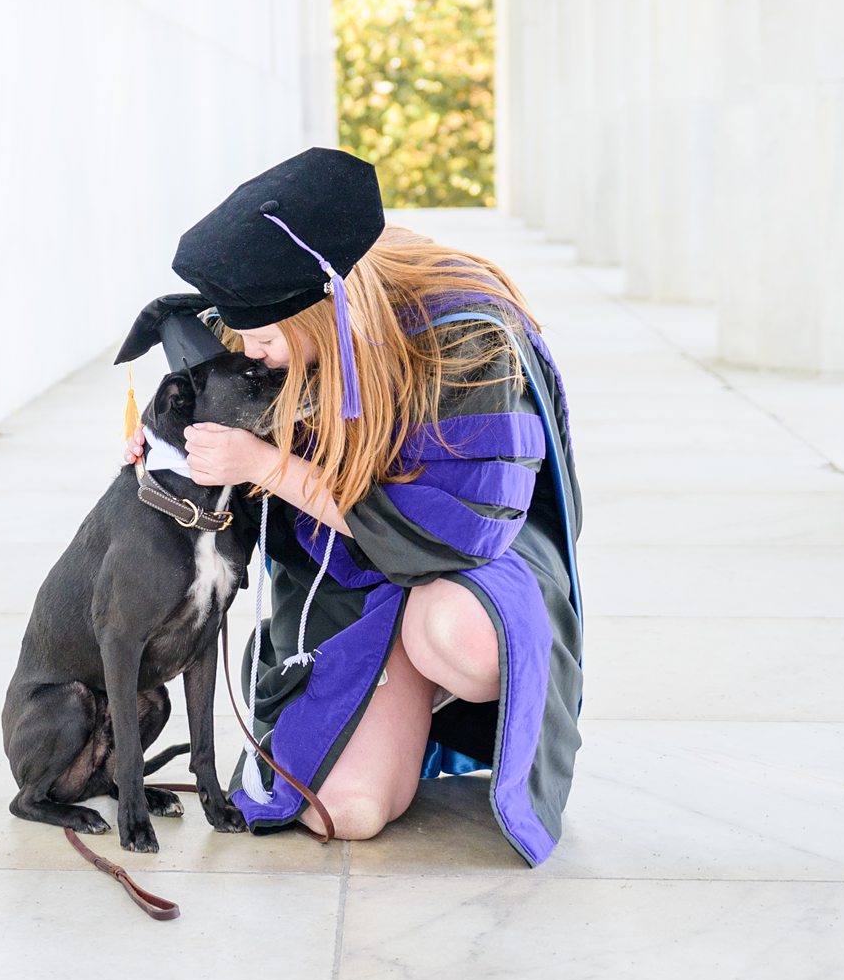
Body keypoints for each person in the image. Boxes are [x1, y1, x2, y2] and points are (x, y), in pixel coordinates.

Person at [124, 147, 582, 862]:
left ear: (327, 310)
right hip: (349, 572)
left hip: (471, 568)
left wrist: (267, 464)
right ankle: (390, 688)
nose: (253, 353)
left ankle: (427, 679)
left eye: (268, 338)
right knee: (348, 809)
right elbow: (231, 487)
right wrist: (173, 459)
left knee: (456, 634)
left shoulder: (466, 336)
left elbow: (459, 535)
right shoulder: (269, 326)